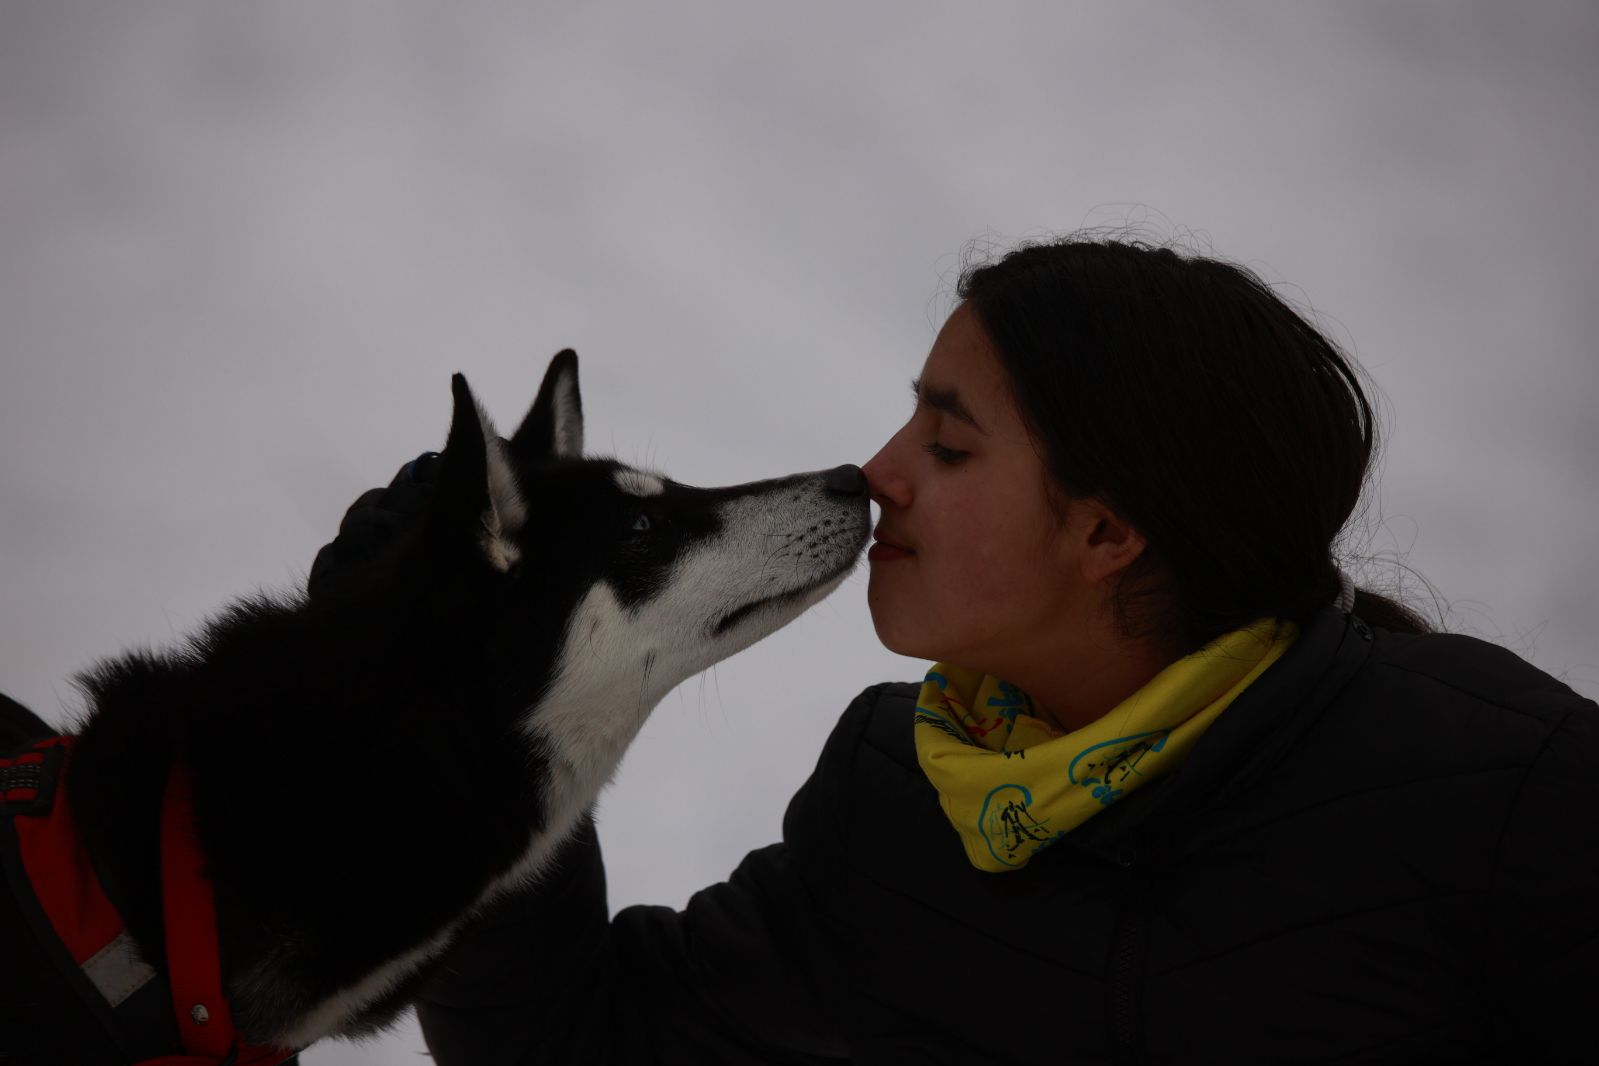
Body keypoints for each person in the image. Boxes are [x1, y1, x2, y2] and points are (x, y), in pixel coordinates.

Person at [320, 236, 1598, 1063]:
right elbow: (584, 1048)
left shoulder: (1511, 796)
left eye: (948, 442)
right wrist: (485, 705)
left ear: (1107, 532)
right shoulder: (905, 807)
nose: (878, 475)